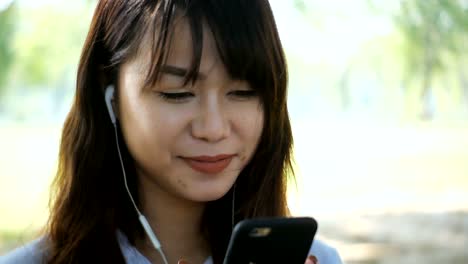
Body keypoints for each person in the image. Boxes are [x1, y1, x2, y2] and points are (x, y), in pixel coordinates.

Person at [1, 1, 342, 263]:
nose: (213, 128)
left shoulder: (315, 259)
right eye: (177, 94)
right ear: (111, 96)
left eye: (243, 92)